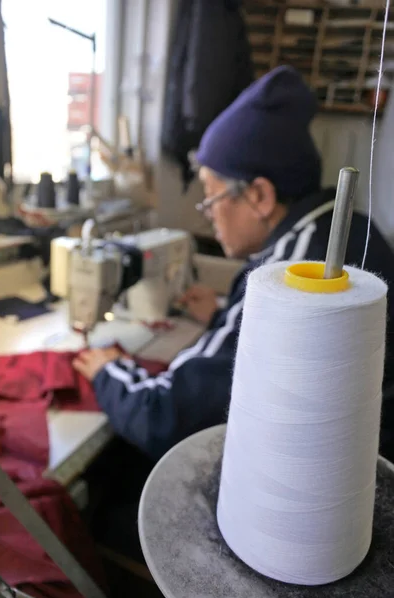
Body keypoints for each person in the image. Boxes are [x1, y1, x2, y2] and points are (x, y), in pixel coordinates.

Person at [74, 65, 394, 464]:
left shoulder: (289, 273)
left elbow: (164, 415)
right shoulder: (348, 228)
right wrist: (225, 316)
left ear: (259, 196)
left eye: (211, 194)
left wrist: (109, 371)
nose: (208, 213)